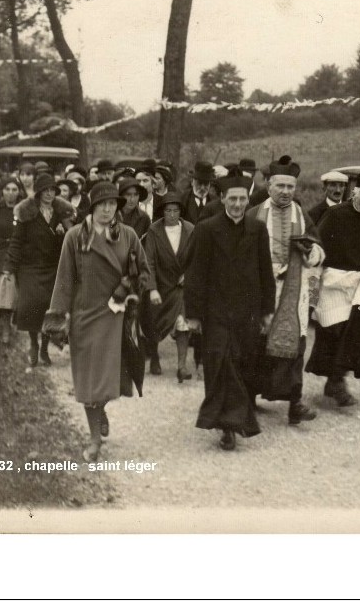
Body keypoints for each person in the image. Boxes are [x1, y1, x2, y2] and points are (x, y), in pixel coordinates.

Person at [45, 181, 153, 462]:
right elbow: (64, 279)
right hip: (85, 317)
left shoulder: (127, 235)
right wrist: (58, 317)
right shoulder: (75, 237)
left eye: (112, 204)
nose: (108, 209)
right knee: (89, 381)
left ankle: (100, 408)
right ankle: (94, 438)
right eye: (102, 204)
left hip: (116, 317)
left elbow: (144, 272)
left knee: (109, 379)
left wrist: (127, 286)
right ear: (92, 207)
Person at [185, 174, 275, 451]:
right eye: (232, 198)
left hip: (247, 311)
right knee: (220, 363)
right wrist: (194, 314)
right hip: (216, 311)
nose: (237, 204)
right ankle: (227, 426)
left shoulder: (257, 229)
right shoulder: (206, 229)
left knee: (241, 362)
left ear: (248, 201)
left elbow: (265, 271)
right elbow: (195, 274)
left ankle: (233, 418)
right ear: (222, 198)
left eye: (242, 199)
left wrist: (266, 310)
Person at [246, 155, 324, 425]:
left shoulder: (302, 215)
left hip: (294, 288)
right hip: (260, 288)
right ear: (269, 186)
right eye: (281, 186)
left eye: (291, 187)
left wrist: (310, 251)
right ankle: (248, 397)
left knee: (296, 346)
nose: (286, 192)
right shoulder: (254, 213)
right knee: (256, 344)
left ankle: (295, 403)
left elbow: (319, 250)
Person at [307, 168, 360, 407]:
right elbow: (317, 249)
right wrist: (312, 290)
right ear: (354, 194)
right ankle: (334, 379)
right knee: (333, 329)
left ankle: (337, 381)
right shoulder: (335, 215)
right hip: (334, 281)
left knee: (355, 328)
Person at [3, 173, 76, 367]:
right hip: (30, 266)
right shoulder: (26, 214)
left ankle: (44, 348)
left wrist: (62, 235)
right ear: (39, 192)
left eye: (53, 190)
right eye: (46, 190)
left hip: (52, 266)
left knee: (48, 308)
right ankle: (34, 343)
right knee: (31, 305)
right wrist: (10, 266)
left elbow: (71, 242)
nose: (50, 194)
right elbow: (16, 241)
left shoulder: (61, 214)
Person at [142, 192, 194, 382]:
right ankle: (154, 357)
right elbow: (149, 261)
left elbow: (198, 256)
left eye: (175, 210)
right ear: (162, 211)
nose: (172, 214)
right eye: (168, 210)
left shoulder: (190, 229)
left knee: (182, 322)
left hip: (181, 287)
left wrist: (188, 274)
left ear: (181, 211)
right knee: (155, 320)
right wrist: (152, 288)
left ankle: (181, 365)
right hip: (161, 284)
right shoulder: (154, 231)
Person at [0, 176, 22, 343]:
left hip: (21, 253)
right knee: (4, 290)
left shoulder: (24, 208)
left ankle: (22, 325)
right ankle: (6, 330)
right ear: (2, 191)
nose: (10, 193)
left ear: (19, 192)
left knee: (22, 290)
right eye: (7, 189)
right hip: (0, 254)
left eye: (14, 189)